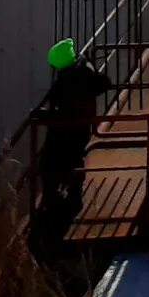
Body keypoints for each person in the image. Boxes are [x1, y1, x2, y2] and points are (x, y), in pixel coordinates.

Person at [39, 38, 110, 209]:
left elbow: (64, 111)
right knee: (75, 160)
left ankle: (52, 197)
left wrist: (44, 115)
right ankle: (74, 195)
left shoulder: (68, 81)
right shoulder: (85, 69)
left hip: (66, 129)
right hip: (81, 128)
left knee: (48, 163)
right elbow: (105, 83)